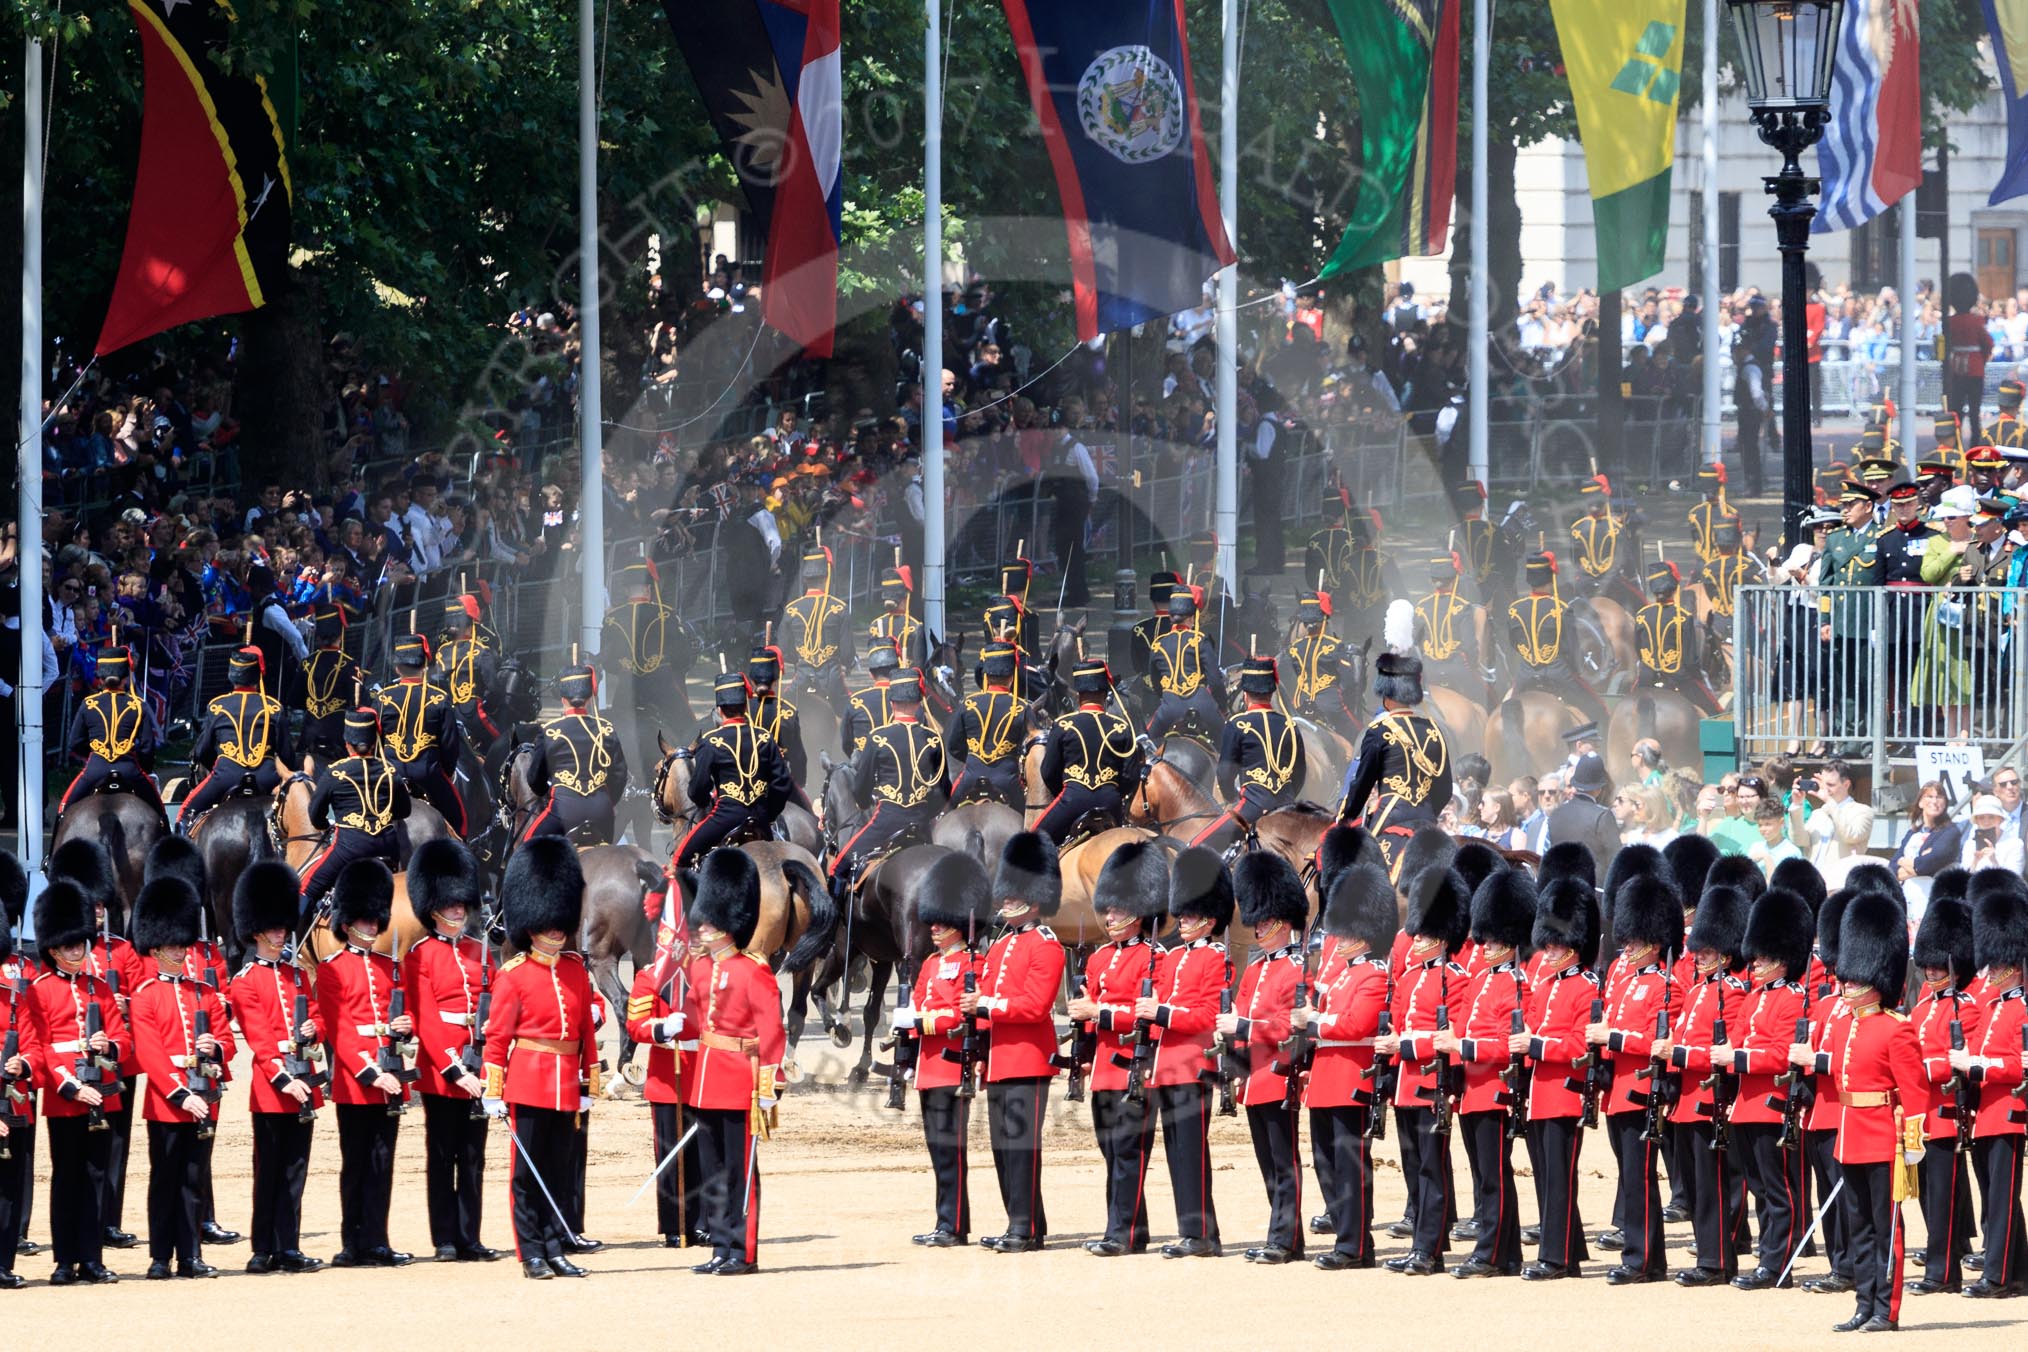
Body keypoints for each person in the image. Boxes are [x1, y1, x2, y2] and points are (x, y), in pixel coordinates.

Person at [1797, 890, 1928, 1330]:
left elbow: (1915, 1091)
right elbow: (1838, 1077)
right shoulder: (1847, 1025)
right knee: (1860, 1227)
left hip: (1884, 1140)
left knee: (1886, 1229)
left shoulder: (1897, 1029)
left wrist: (1910, 1144)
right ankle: (1863, 1304)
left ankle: (1885, 1311)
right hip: (1851, 1135)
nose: (1845, 985)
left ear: (1876, 977)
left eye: (1854, 979)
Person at [480, 838, 599, 1280]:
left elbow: (585, 1033)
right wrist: (494, 1091)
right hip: (528, 1082)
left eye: (559, 922)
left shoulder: (574, 970)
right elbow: (497, 1039)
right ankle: (530, 1251)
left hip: (566, 1083)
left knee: (556, 1173)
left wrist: (588, 1084)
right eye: (548, 923)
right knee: (527, 1176)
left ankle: (554, 1245)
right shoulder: (513, 976)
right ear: (531, 924)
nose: (556, 930)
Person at [962, 832, 1067, 1254]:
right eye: (1003, 897)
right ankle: (1026, 1224)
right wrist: (982, 1052)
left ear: (1034, 899)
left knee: (1022, 1148)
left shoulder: (1047, 945)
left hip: (1029, 1059)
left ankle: (1021, 1228)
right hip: (1000, 1060)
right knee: (1003, 1149)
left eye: (1012, 897)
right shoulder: (1002, 944)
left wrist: (984, 1004)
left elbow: (1034, 1006)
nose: (1004, 903)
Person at [128, 875, 235, 1280]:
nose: (179, 950)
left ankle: (190, 1255)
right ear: (155, 948)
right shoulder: (144, 996)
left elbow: (227, 1039)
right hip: (168, 1103)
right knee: (165, 1181)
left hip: (204, 1095)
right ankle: (160, 1256)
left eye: (182, 943)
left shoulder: (204, 992)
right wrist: (178, 1093)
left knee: (194, 1179)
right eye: (172, 945)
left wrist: (216, 1048)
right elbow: (152, 1054)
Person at [1064, 843, 1169, 1256]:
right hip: (1104, 1067)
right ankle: (1132, 1229)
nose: (1108, 917)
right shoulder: (1099, 958)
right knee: (1110, 1150)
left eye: (1116, 911)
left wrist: (1098, 1011)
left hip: (1134, 1065)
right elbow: (1092, 1011)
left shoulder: (1155, 958)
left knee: (1128, 1152)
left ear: (1138, 913)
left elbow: (1146, 1015)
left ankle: (1120, 1231)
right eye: (1106, 910)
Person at [402, 840, 498, 1264]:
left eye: (462, 905)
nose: (459, 912)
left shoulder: (480, 953)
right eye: (451, 905)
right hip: (444, 1074)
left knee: (474, 1158)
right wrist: (456, 1069)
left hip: (479, 1064)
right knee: (442, 1156)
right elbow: (424, 1019)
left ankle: (469, 1236)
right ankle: (444, 1237)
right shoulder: (420, 956)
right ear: (434, 908)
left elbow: (496, 1005)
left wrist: (489, 1058)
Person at [316, 860, 415, 1268]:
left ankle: (378, 1239)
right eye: (366, 920)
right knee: (355, 1163)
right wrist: (372, 1072)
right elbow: (339, 1031)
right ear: (347, 921)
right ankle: (352, 1242)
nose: (373, 927)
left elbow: (396, 1020)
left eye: (376, 920)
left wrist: (404, 1027)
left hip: (389, 1074)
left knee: (383, 1163)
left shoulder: (386, 968)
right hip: (358, 1082)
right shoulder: (330, 970)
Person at [228, 860, 325, 1275]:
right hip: (274, 1089)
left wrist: (313, 1027)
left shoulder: (297, 976)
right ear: (257, 930)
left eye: (282, 927)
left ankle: (289, 1246)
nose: (280, 933)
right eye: (273, 928)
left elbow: (318, 1017)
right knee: (267, 1171)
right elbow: (261, 1041)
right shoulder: (245, 981)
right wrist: (286, 1081)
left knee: (295, 1173)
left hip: (303, 1078)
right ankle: (262, 1247)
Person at [1214, 853, 1311, 1265]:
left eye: (1265, 921)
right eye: (1256, 921)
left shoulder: (1296, 969)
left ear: (1283, 923)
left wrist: (1243, 1027)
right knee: (1268, 1164)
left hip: (1279, 1075)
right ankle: (1288, 1236)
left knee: (1284, 1163)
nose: (1257, 928)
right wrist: (1235, 1069)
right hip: (1254, 1079)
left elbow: (1286, 1027)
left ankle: (1283, 1238)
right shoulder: (1254, 969)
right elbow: (1240, 1018)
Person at [30, 879, 127, 1285]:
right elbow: (43, 1047)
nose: (76, 950)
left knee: (96, 1178)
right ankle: (64, 1259)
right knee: (66, 1177)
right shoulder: (40, 990)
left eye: (79, 944)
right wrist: (71, 1086)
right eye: (69, 946)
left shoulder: (99, 987)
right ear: (53, 949)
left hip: (101, 1093)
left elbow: (123, 1036)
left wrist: (110, 1045)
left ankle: (91, 1258)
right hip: (66, 1097)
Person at [1302, 854, 1395, 1270]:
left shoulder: (1373, 974)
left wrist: (1315, 1021)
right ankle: (1345, 1233)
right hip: (1324, 1080)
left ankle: (1355, 1245)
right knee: (1326, 1162)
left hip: (1350, 1080)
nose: (1337, 939)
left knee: (1349, 1165)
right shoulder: (1342, 974)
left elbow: (1357, 1024)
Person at [1439, 870, 1533, 1277]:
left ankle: (1490, 1252)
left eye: (1495, 939)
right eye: (1487, 937)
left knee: (1493, 1177)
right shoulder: (1481, 980)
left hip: (1495, 1090)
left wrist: (1463, 1048)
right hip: (1471, 1090)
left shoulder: (1515, 984)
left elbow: (1506, 1047)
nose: (1488, 944)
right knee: (1484, 1175)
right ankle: (1508, 1252)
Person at [1143, 847, 1233, 1259]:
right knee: (1176, 1153)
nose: (1182, 922)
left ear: (1209, 920)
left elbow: (1204, 1016)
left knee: (1192, 1153)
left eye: (1190, 916)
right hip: (1166, 1066)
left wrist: (1160, 1012)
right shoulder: (1173, 956)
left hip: (1195, 1066)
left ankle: (1202, 1234)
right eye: (1181, 915)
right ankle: (1190, 1230)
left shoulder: (1216, 959)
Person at [1380, 866, 1471, 1274]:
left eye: (1423, 933)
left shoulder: (1456, 978)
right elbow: (1398, 1024)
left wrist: (1403, 1044)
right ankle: (1423, 1237)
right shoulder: (1410, 977)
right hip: (1405, 1083)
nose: (1415, 939)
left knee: (1432, 1167)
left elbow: (1449, 1035)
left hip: (1433, 1083)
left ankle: (1429, 1248)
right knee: (1413, 1165)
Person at [1723, 885, 1812, 1290]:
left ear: (1782, 958)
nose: (1755, 962)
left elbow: (1783, 1055)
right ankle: (1768, 1257)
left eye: (1763, 956)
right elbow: (1739, 1038)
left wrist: (1738, 1058)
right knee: (1759, 1187)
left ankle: (1779, 1264)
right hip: (1745, 1104)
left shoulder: (1793, 999)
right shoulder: (1753, 997)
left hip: (1773, 1104)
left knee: (1779, 1191)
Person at [1664, 884, 1751, 1286]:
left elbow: (1723, 1052)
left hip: (1709, 1099)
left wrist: (1677, 1055)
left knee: (1714, 1183)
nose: (1699, 959)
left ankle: (1717, 1260)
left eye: (1708, 953)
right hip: (1685, 1100)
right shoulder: (1698, 990)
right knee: (1696, 1185)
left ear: (1726, 955)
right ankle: (1708, 1252)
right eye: (1698, 952)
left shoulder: (1731, 993)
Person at [902, 852, 991, 1247]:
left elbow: (959, 1016)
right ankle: (945, 1220)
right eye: (933, 921)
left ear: (960, 923)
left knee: (951, 1151)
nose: (934, 928)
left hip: (952, 1065)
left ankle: (953, 1224)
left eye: (942, 922)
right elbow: (922, 1001)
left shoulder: (975, 964)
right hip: (927, 1066)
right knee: (937, 1150)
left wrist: (921, 1021)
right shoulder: (930, 964)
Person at [1517, 875, 1601, 1280]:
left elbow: (1577, 1046)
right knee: (1548, 1176)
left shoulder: (1585, 987)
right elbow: (1535, 1023)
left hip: (1565, 1093)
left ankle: (1557, 1257)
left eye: (1555, 945)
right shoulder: (1548, 984)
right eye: (1546, 944)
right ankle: (1566, 1251)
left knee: (1559, 1179)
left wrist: (1534, 1046)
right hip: (1539, 1092)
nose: (1548, 952)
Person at [1958, 869, 2028, 1298]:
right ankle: (2018, 1269)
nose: (1995, 968)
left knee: (2001, 1198)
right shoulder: (1995, 1006)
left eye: (2002, 962)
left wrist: (1978, 1066)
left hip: (2009, 1111)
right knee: (1995, 1195)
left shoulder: (2020, 1008)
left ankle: (1999, 1276)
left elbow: (2019, 1067)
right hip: (1986, 1112)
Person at [1908, 890, 1977, 1295]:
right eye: (1927, 967)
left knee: (1943, 1198)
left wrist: (1916, 1071)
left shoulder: (1963, 1007)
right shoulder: (1921, 1008)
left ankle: (1943, 1272)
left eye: (1938, 968)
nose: (1931, 974)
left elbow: (1955, 1060)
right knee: (1927, 1198)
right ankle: (1940, 1266)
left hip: (1945, 1112)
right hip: (1920, 1114)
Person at [828, 670, 946, 907]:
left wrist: (863, 804)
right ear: (918, 703)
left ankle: (835, 925)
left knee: (837, 867)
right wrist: (924, 812)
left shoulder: (878, 737)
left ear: (892, 703)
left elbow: (861, 786)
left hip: (885, 822)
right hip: (921, 825)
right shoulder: (933, 739)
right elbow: (944, 790)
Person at [1335, 649, 1453, 883]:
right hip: (1427, 821)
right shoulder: (1433, 729)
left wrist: (1345, 817)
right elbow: (1445, 788)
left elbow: (1362, 784)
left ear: (1385, 693)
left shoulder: (1379, 731)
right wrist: (1427, 814)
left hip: (1388, 819)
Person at [672, 672, 794, 874]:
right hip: (760, 822)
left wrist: (705, 802)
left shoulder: (711, 742)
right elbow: (783, 784)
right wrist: (767, 812)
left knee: (679, 859)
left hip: (724, 819)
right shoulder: (764, 737)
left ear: (720, 711)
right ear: (746, 707)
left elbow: (696, 790)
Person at [300, 709, 412, 905]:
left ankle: (296, 936)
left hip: (349, 848)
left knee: (308, 888)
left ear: (347, 744)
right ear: (374, 743)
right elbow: (405, 811)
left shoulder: (334, 773)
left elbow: (315, 814)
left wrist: (325, 825)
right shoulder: (390, 771)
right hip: (388, 848)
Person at [1195, 656, 1304, 852]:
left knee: (1196, 847)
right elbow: (1299, 774)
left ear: (1245, 695)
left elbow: (1225, 774)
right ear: (1271, 693)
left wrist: (1231, 798)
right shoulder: (1290, 725)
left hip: (1252, 808)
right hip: (1288, 808)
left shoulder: (1237, 725)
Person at [178, 647, 289, 833]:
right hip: (267, 778)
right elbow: (287, 755)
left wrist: (214, 767)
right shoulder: (274, 708)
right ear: (257, 677)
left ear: (232, 677)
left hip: (226, 776)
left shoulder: (217, 707)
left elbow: (203, 751)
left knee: (185, 812)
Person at [57, 643, 168, 829]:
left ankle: (51, 857)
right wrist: (142, 765)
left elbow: (74, 744)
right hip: (130, 770)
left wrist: (94, 755)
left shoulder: (88, 704)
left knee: (63, 812)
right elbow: (148, 749)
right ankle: (168, 855)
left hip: (95, 770)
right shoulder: (138, 704)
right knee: (161, 814)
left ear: (100, 678)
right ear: (126, 677)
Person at [518, 662, 628, 847]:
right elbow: (620, 775)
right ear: (589, 698)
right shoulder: (606, 729)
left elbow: (535, 779)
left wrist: (547, 793)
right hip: (603, 815)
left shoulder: (549, 731)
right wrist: (607, 801)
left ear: (562, 698)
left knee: (528, 848)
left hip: (563, 811)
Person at [1034, 660, 1141, 846]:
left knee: (1033, 843)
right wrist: (1113, 792)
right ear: (1105, 694)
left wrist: (1068, 791)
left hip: (1072, 800)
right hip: (1111, 804)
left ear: (1078, 696)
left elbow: (1048, 771)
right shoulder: (1121, 727)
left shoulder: (1063, 725)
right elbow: (1130, 777)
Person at [375, 633, 467, 836]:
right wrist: (448, 771)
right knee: (459, 818)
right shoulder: (439, 699)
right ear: (424, 666)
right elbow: (450, 746)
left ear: (397, 668)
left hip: (390, 775)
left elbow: (375, 743)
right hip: (429, 775)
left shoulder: (382, 699)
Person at [1505, 552, 1608, 729]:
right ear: (1551, 578)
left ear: (1529, 580)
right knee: (1599, 710)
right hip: (1559, 675)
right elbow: (1571, 648)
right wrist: (1579, 669)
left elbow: (1513, 644)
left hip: (1525, 676)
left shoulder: (1515, 609)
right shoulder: (1561, 609)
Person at [1820, 484, 1884, 744]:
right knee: (1843, 682)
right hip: (1841, 622)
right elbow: (1826, 585)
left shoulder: (1880, 536)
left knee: (1867, 682)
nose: (1844, 510)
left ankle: (1868, 739)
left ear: (1868, 507)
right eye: (1843, 505)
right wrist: (1825, 620)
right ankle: (1845, 738)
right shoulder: (1836, 538)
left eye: (1851, 505)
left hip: (1867, 620)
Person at [943, 641, 1024, 810]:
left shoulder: (968, 703)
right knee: (1027, 824)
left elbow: (954, 746)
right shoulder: (1022, 707)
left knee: (947, 813)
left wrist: (974, 759)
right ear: (1012, 676)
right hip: (1008, 781)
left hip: (971, 778)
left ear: (985, 675)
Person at [1635, 562, 1721, 715]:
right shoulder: (1683, 617)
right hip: (1678, 678)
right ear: (1674, 589)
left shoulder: (1642, 615)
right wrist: (1698, 677)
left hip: (1646, 677)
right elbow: (1689, 660)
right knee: (1714, 711)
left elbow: (1638, 650)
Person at [1145, 585, 1224, 746]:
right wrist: (1222, 707)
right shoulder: (1201, 640)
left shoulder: (1158, 644)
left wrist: (1166, 698)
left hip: (1169, 709)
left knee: (1147, 745)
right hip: (1203, 707)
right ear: (1192, 618)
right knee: (1229, 744)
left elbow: (1155, 683)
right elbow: (1215, 681)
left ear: (1170, 618)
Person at [780, 547, 852, 714]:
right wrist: (847, 664)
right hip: (833, 682)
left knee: (783, 713)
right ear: (826, 578)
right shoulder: (840, 608)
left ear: (805, 580)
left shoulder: (791, 609)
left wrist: (799, 658)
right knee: (851, 717)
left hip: (801, 679)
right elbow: (847, 654)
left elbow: (784, 651)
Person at [1287, 589, 1359, 745]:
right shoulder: (1335, 646)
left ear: (1305, 624)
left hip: (1299, 705)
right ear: (1324, 621)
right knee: (1359, 736)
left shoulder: (1294, 648)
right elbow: (1348, 683)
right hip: (1330, 705)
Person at [1793, 760, 1875, 890]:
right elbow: (1800, 841)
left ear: (1846, 784)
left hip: (1841, 885)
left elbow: (1851, 836)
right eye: (1822, 784)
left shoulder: (1863, 811)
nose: (1825, 789)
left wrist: (1829, 801)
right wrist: (1797, 805)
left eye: (1830, 785)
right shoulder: (1818, 814)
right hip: (1813, 884)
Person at [293, 609, 362, 762]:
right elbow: (358, 703)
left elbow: (295, 700)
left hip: (309, 737)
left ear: (318, 636)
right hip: (338, 738)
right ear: (340, 635)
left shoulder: (306, 663)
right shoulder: (350, 665)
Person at [433, 596, 501, 752]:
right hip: (473, 713)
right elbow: (494, 689)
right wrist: (490, 707)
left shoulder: (442, 651)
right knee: (503, 741)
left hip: (447, 713)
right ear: (471, 626)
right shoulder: (480, 651)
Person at [1547, 754, 1621, 867]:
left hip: (1561, 882)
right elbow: (1616, 860)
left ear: (1575, 784)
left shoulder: (1556, 814)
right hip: (1593, 883)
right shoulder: (1602, 816)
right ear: (1599, 788)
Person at [843, 640, 902, 758]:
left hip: (863, 768)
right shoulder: (909, 701)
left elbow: (846, 743)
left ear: (871, 674)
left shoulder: (855, 701)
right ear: (897, 670)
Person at [869, 567, 925, 669]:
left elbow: (872, 663)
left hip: (882, 682)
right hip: (906, 683)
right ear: (906, 597)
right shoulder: (915, 627)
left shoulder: (875, 625)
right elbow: (919, 665)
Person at [1962, 794, 2027, 874]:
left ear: (2000, 819)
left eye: (1991, 817)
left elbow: (2013, 881)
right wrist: (1975, 862)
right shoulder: (1969, 845)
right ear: (1977, 821)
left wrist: (1994, 861)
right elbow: (1963, 881)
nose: (1986, 822)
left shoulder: (2015, 844)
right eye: (1981, 818)